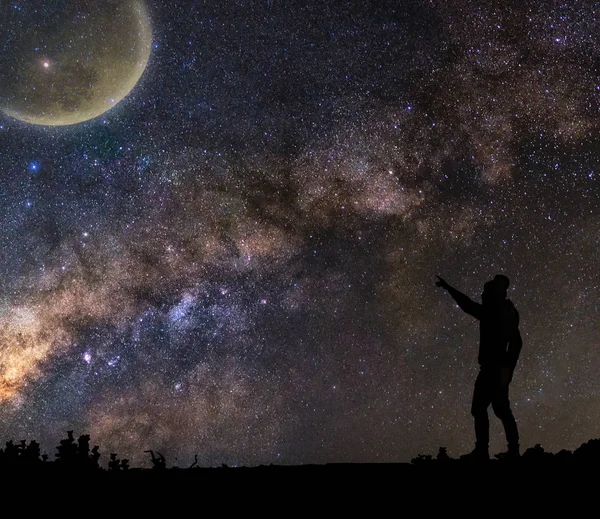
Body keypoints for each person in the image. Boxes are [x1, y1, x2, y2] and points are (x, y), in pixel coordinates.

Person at [436, 274, 522, 461]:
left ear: (494, 293)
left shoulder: (499, 311)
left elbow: (468, 305)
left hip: (495, 369)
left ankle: (495, 451)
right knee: (491, 409)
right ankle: (499, 450)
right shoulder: (502, 310)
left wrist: (507, 369)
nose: (482, 295)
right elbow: (469, 305)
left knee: (495, 409)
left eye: (486, 292)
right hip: (495, 369)